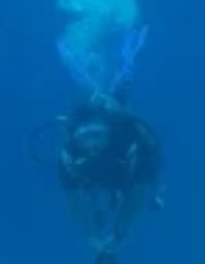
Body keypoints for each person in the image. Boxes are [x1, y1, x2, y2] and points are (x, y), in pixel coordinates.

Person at [58, 92, 163, 251]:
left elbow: (138, 191)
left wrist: (120, 230)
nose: (92, 144)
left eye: (97, 135)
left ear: (109, 132)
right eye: (84, 137)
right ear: (75, 138)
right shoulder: (70, 154)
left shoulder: (128, 144)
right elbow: (73, 199)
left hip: (127, 175)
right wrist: (90, 236)